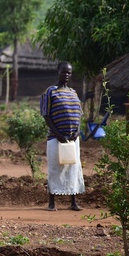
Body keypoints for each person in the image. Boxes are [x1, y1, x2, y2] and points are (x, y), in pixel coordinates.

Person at [40, 61, 84, 211]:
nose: (66, 75)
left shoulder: (73, 92)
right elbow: (46, 115)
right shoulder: (50, 92)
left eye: (69, 72)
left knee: (73, 167)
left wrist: (77, 131)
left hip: (72, 139)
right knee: (55, 168)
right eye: (64, 71)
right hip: (55, 138)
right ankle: (52, 202)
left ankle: (73, 202)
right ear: (58, 72)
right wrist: (58, 134)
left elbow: (79, 115)